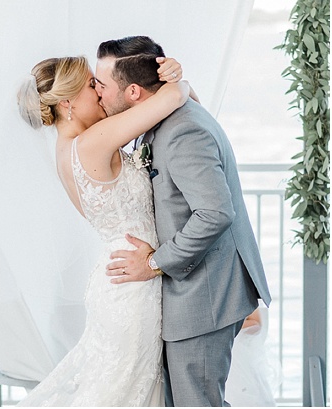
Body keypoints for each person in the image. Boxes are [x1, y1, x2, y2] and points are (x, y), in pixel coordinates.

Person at [97, 36, 270, 407]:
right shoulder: (164, 115)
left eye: (102, 85)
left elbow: (215, 212)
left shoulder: (183, 131)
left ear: (132, 91)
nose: (97, 93)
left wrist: (153, 263)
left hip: (203, 297)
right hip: (188, 295)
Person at [15, 53, 189, 406]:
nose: (99, 91)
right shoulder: (94, 140)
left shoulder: (67, 149)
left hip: (119, 282)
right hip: (132, 288)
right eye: (91, 85)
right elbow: (173, 97)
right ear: (67, 103)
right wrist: (176, 77)